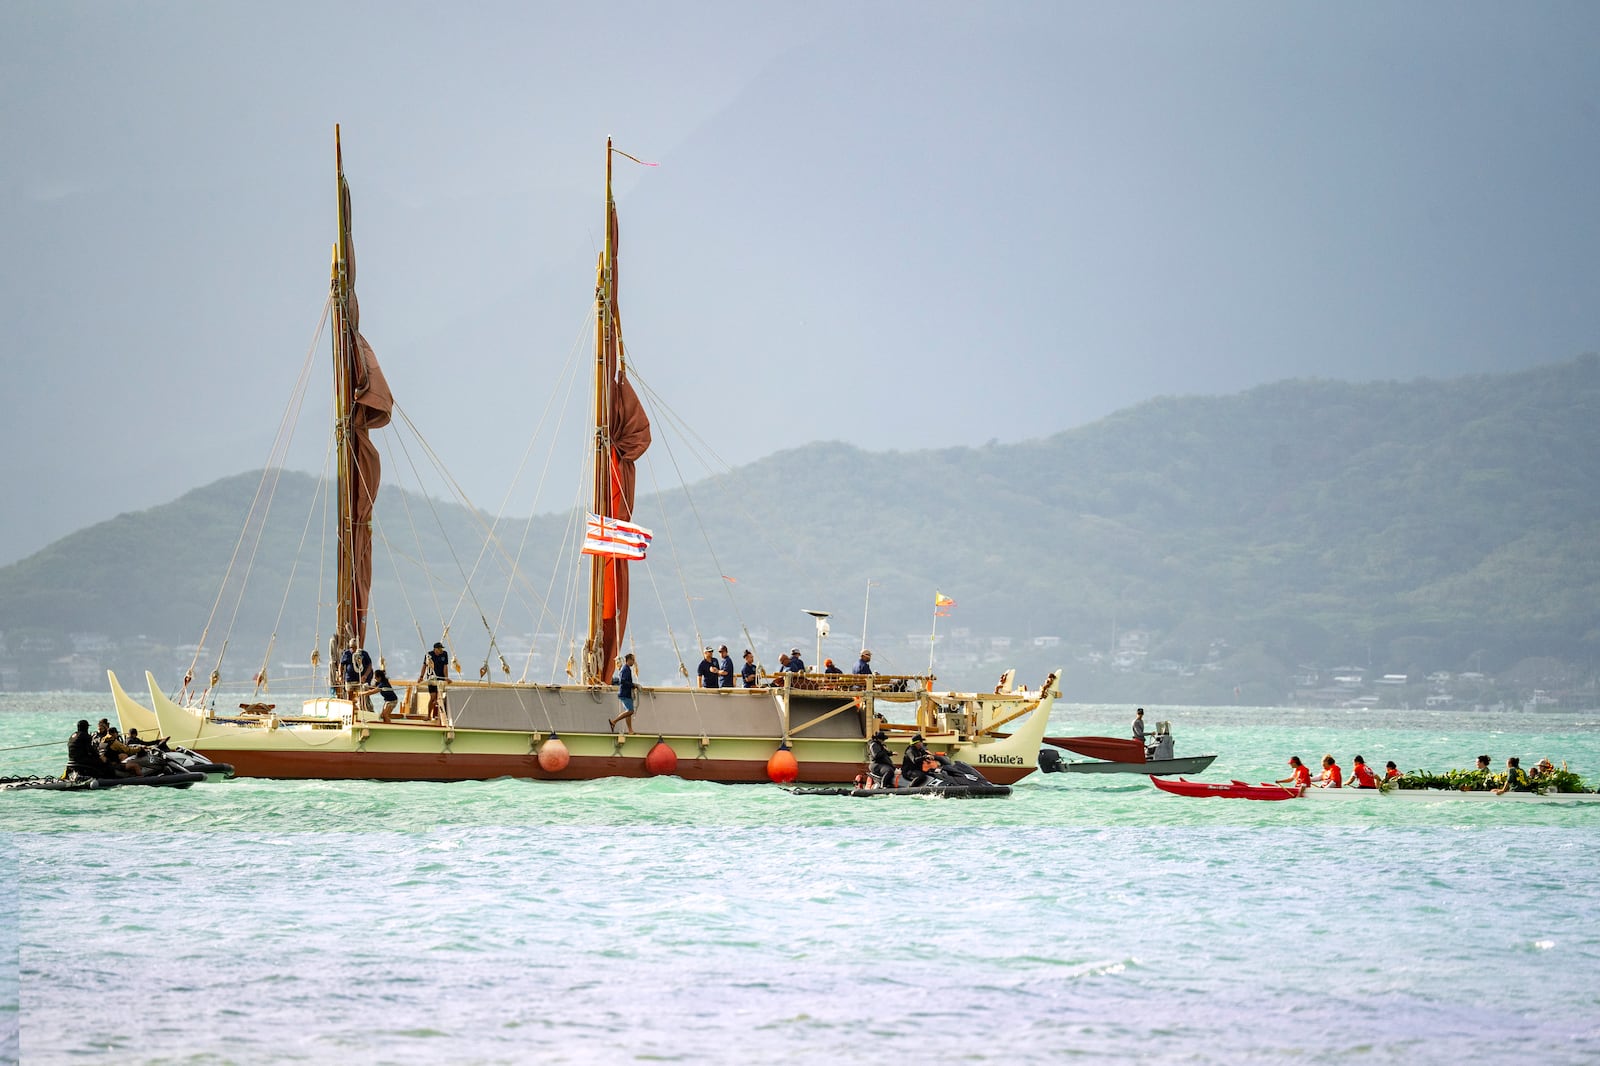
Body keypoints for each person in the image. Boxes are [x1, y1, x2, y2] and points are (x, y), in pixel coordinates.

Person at [610, 652, 638, 731]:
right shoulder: (626, 669)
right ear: (628, 660)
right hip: (625, 693)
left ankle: (630, 730)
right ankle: (614, 721)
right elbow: (623, 681)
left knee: (628, 713)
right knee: (630, 711)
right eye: (632, 660)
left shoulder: (625, 668)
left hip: (624, 693)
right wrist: (633, 685)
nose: (633, 662)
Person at [425, 641, 451, 716]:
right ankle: (428, 715)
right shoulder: (429, 655)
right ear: (435, 649)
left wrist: (446, 677)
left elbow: (445, 666)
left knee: (439, 698)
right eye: (440, 649)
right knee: (433, 697)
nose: (441, 650)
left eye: (441, 649)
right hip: (432, 677)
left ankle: (437, 716)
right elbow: (424, 666)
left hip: (441, 678)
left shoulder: (444, 654)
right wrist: (421, 676)